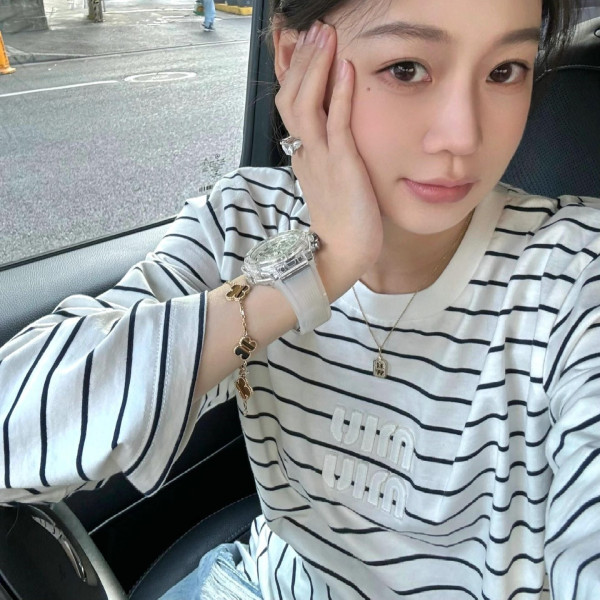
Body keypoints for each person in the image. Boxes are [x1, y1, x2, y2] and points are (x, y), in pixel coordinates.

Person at [0, 0, 597, 598]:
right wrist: (319, 267)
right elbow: (13, 432)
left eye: (504, 71)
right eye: (407, 69)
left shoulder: (576, 276)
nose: (463, 136)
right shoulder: (244, 222)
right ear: (294, 58)